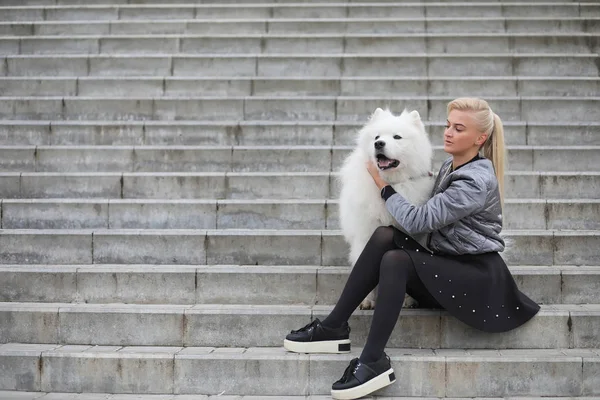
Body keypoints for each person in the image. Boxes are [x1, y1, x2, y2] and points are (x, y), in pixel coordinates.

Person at [283, 97, 540, 400]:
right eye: (447, 125)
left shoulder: (475, 180)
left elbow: (418, 221)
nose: (447, 132)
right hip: (452, 268)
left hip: (476, 281)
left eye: (459, 128)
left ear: (480, 138)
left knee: (396, 260)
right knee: (383, 236)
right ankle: (333, 327)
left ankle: (372, 360)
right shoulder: (451, 166)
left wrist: (383, 184)